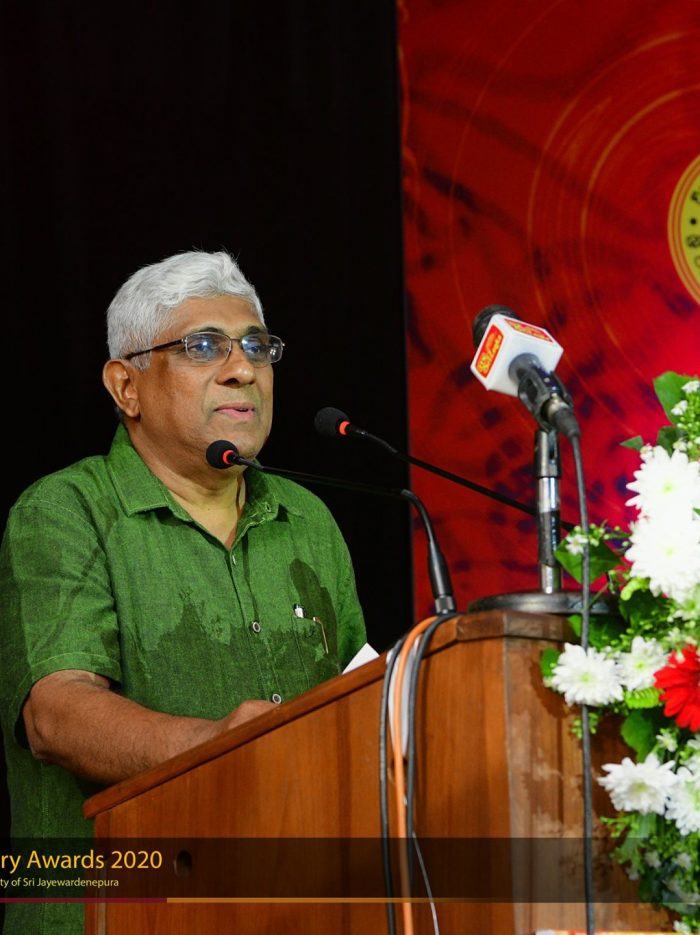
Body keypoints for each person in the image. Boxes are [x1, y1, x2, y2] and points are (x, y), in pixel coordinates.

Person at [0, 249, 366, 933]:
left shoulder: (307, 519)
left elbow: (356, 700)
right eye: (204, 346)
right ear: (126, 386)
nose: (243, 369)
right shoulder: (66, 511)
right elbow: (55, 714)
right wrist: (216, 744)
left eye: (256, 346)